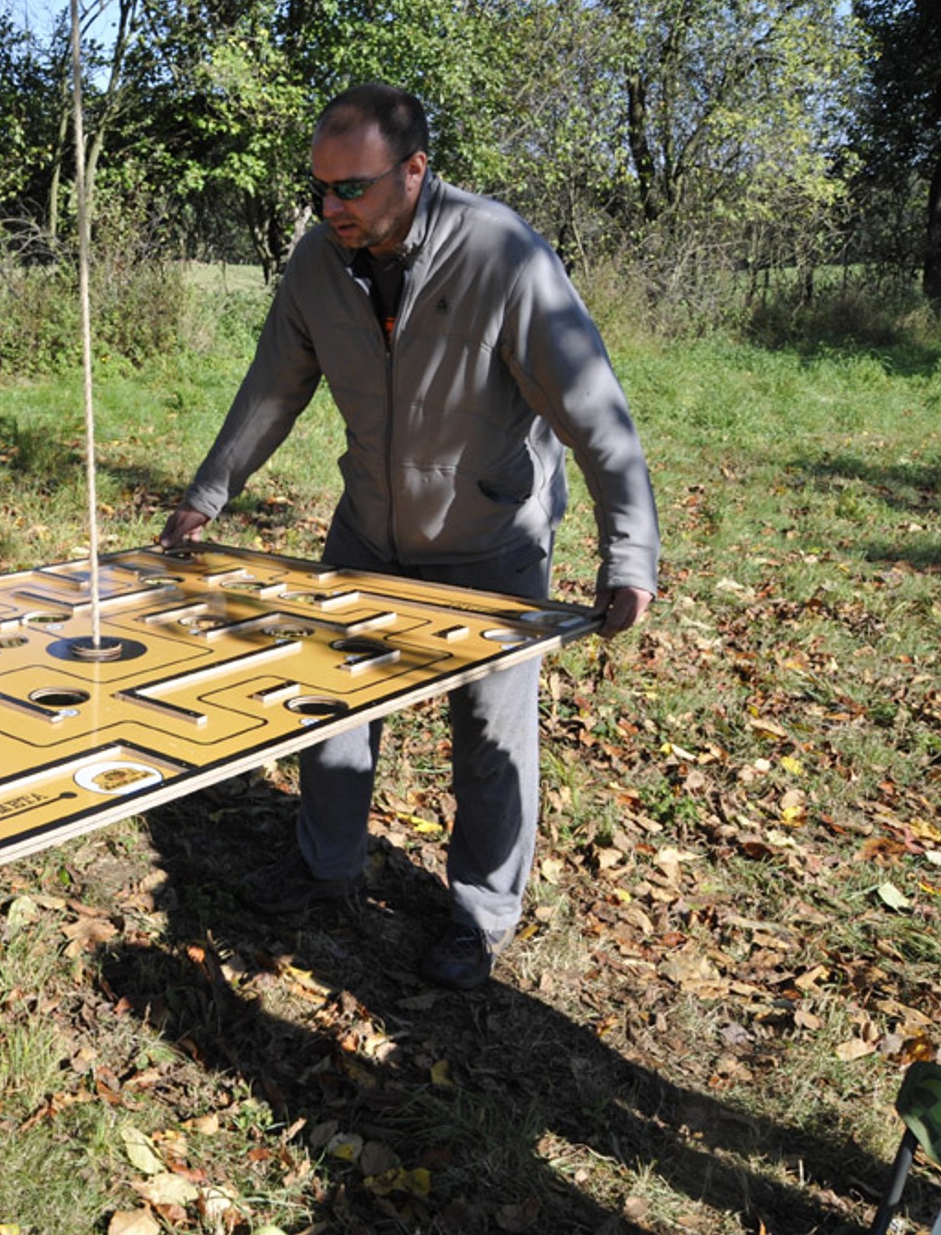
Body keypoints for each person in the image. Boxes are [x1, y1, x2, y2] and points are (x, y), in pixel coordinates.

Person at [159, 83, 658, 992]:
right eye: (319, 187)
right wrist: (207, 493)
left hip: (492, 537)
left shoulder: (501, 254)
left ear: (416, 170)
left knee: (490, 741)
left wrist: (630, 554)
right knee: (331, 709)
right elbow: (273, 386)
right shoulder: (317, 264)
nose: (329, 207)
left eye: (351, 188)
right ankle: (325, 866)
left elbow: (595, 412)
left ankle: (480, 915)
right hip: (368, 528)